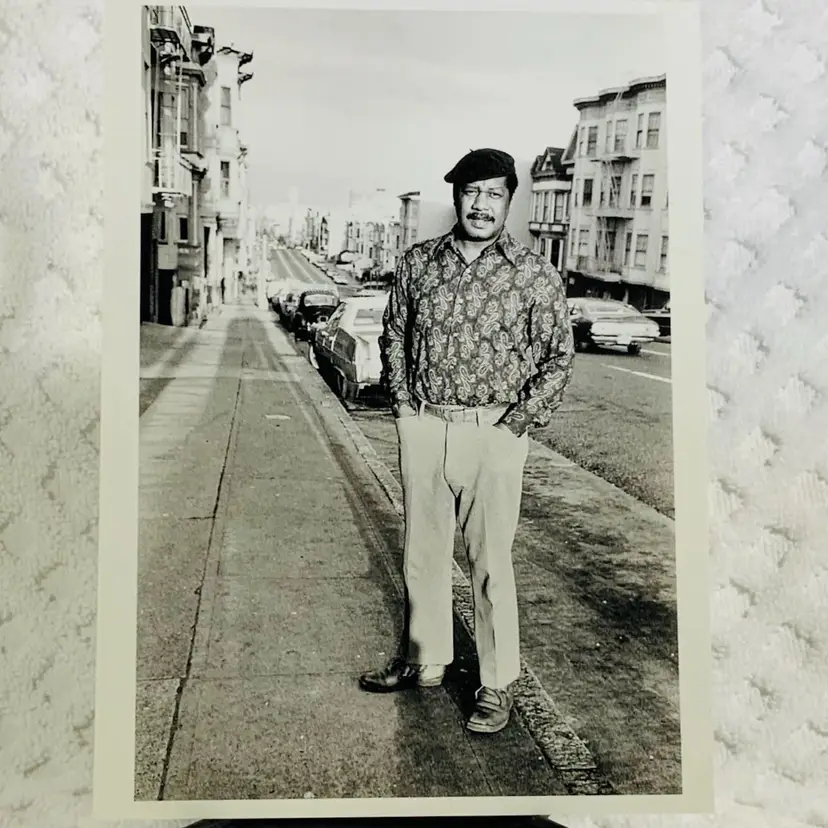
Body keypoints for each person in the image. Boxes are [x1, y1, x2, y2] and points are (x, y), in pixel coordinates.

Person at [359, 148, 575, 734]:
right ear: (457, 197)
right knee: (422, 554)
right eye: (472, 192)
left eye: (495, 194)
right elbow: (396, 333)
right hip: (425, 426)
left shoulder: (534, 275)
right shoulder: (418, 263)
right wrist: (405, 407)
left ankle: (496, 685)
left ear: (510, 200)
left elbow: (558, 359)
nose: (482, 205)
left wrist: (514, 427)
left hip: (493, 434)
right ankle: (424, 660)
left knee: (490, 564)